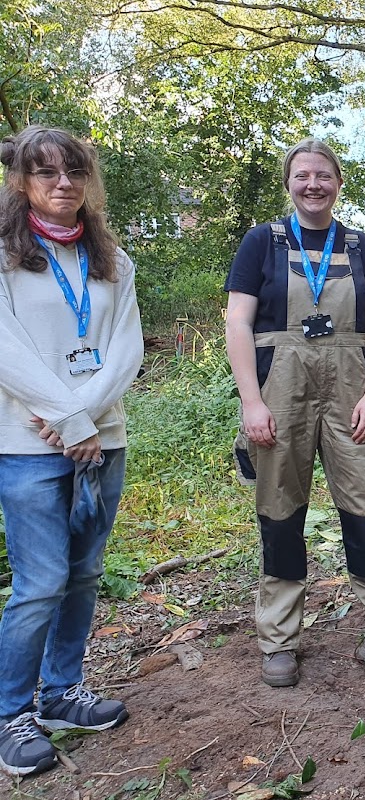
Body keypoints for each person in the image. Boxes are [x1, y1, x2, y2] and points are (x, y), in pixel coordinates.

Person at [225, 138, 365, 688]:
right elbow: (238, 322)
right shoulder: (261, 242)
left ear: (338, 183)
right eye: (303, 175)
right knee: (280, 512)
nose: (313, 185)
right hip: (279, 392)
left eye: (323, 175)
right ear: (289, 182)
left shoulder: (360, 246)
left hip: (351, 389)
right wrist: (251, 402)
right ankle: (279, 638)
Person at [0, 126, 143, 777]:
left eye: (75, 171)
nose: (64, 183)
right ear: (21, 181)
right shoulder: (5, 257)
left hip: (101, 441)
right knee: (40, 583)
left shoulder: (113, 260)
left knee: (84, 574)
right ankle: (11, 714)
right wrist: (67, 416)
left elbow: (125, 349)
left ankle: (61, 693)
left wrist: (82, 417)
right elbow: (7, 351)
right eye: (47, 172)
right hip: (27, 447)